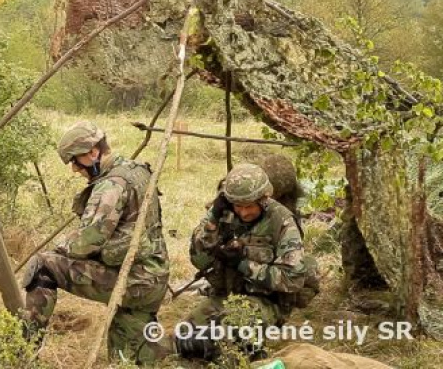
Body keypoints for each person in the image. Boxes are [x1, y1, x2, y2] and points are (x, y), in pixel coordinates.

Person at [20, 121, 170, 363]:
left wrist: (60, 248)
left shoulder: (111, 186)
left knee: (43, 267)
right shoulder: (135, 171)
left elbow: (84, 243)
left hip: (133, 281)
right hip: (154, 278)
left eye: (75, 161)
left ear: (93, 152)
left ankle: (22, 354)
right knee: (127, 360)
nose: (74, 169)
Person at [178, 163, 318, 360]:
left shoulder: (282, 221)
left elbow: (292, 279)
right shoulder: (222, 214)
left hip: (264, 302)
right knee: (186, 338)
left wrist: (243, 264)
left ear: (264, 198)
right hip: (225, 296)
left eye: (249, 206)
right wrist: (212, 221)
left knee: (227, 340)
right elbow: (199, 260)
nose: (243, 213)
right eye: (238, 206)